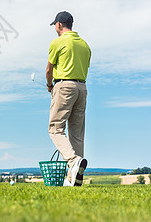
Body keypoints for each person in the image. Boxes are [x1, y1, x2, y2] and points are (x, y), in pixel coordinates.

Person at [45, 11, 91, 187]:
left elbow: (49, 70)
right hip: (82, 88)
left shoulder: (57, 42)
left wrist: (50, 86)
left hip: (64, 86)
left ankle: (73, 162)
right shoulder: (85, 45)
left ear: (58, 25)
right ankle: (73, 179)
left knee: (55, 129)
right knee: (77, 134)